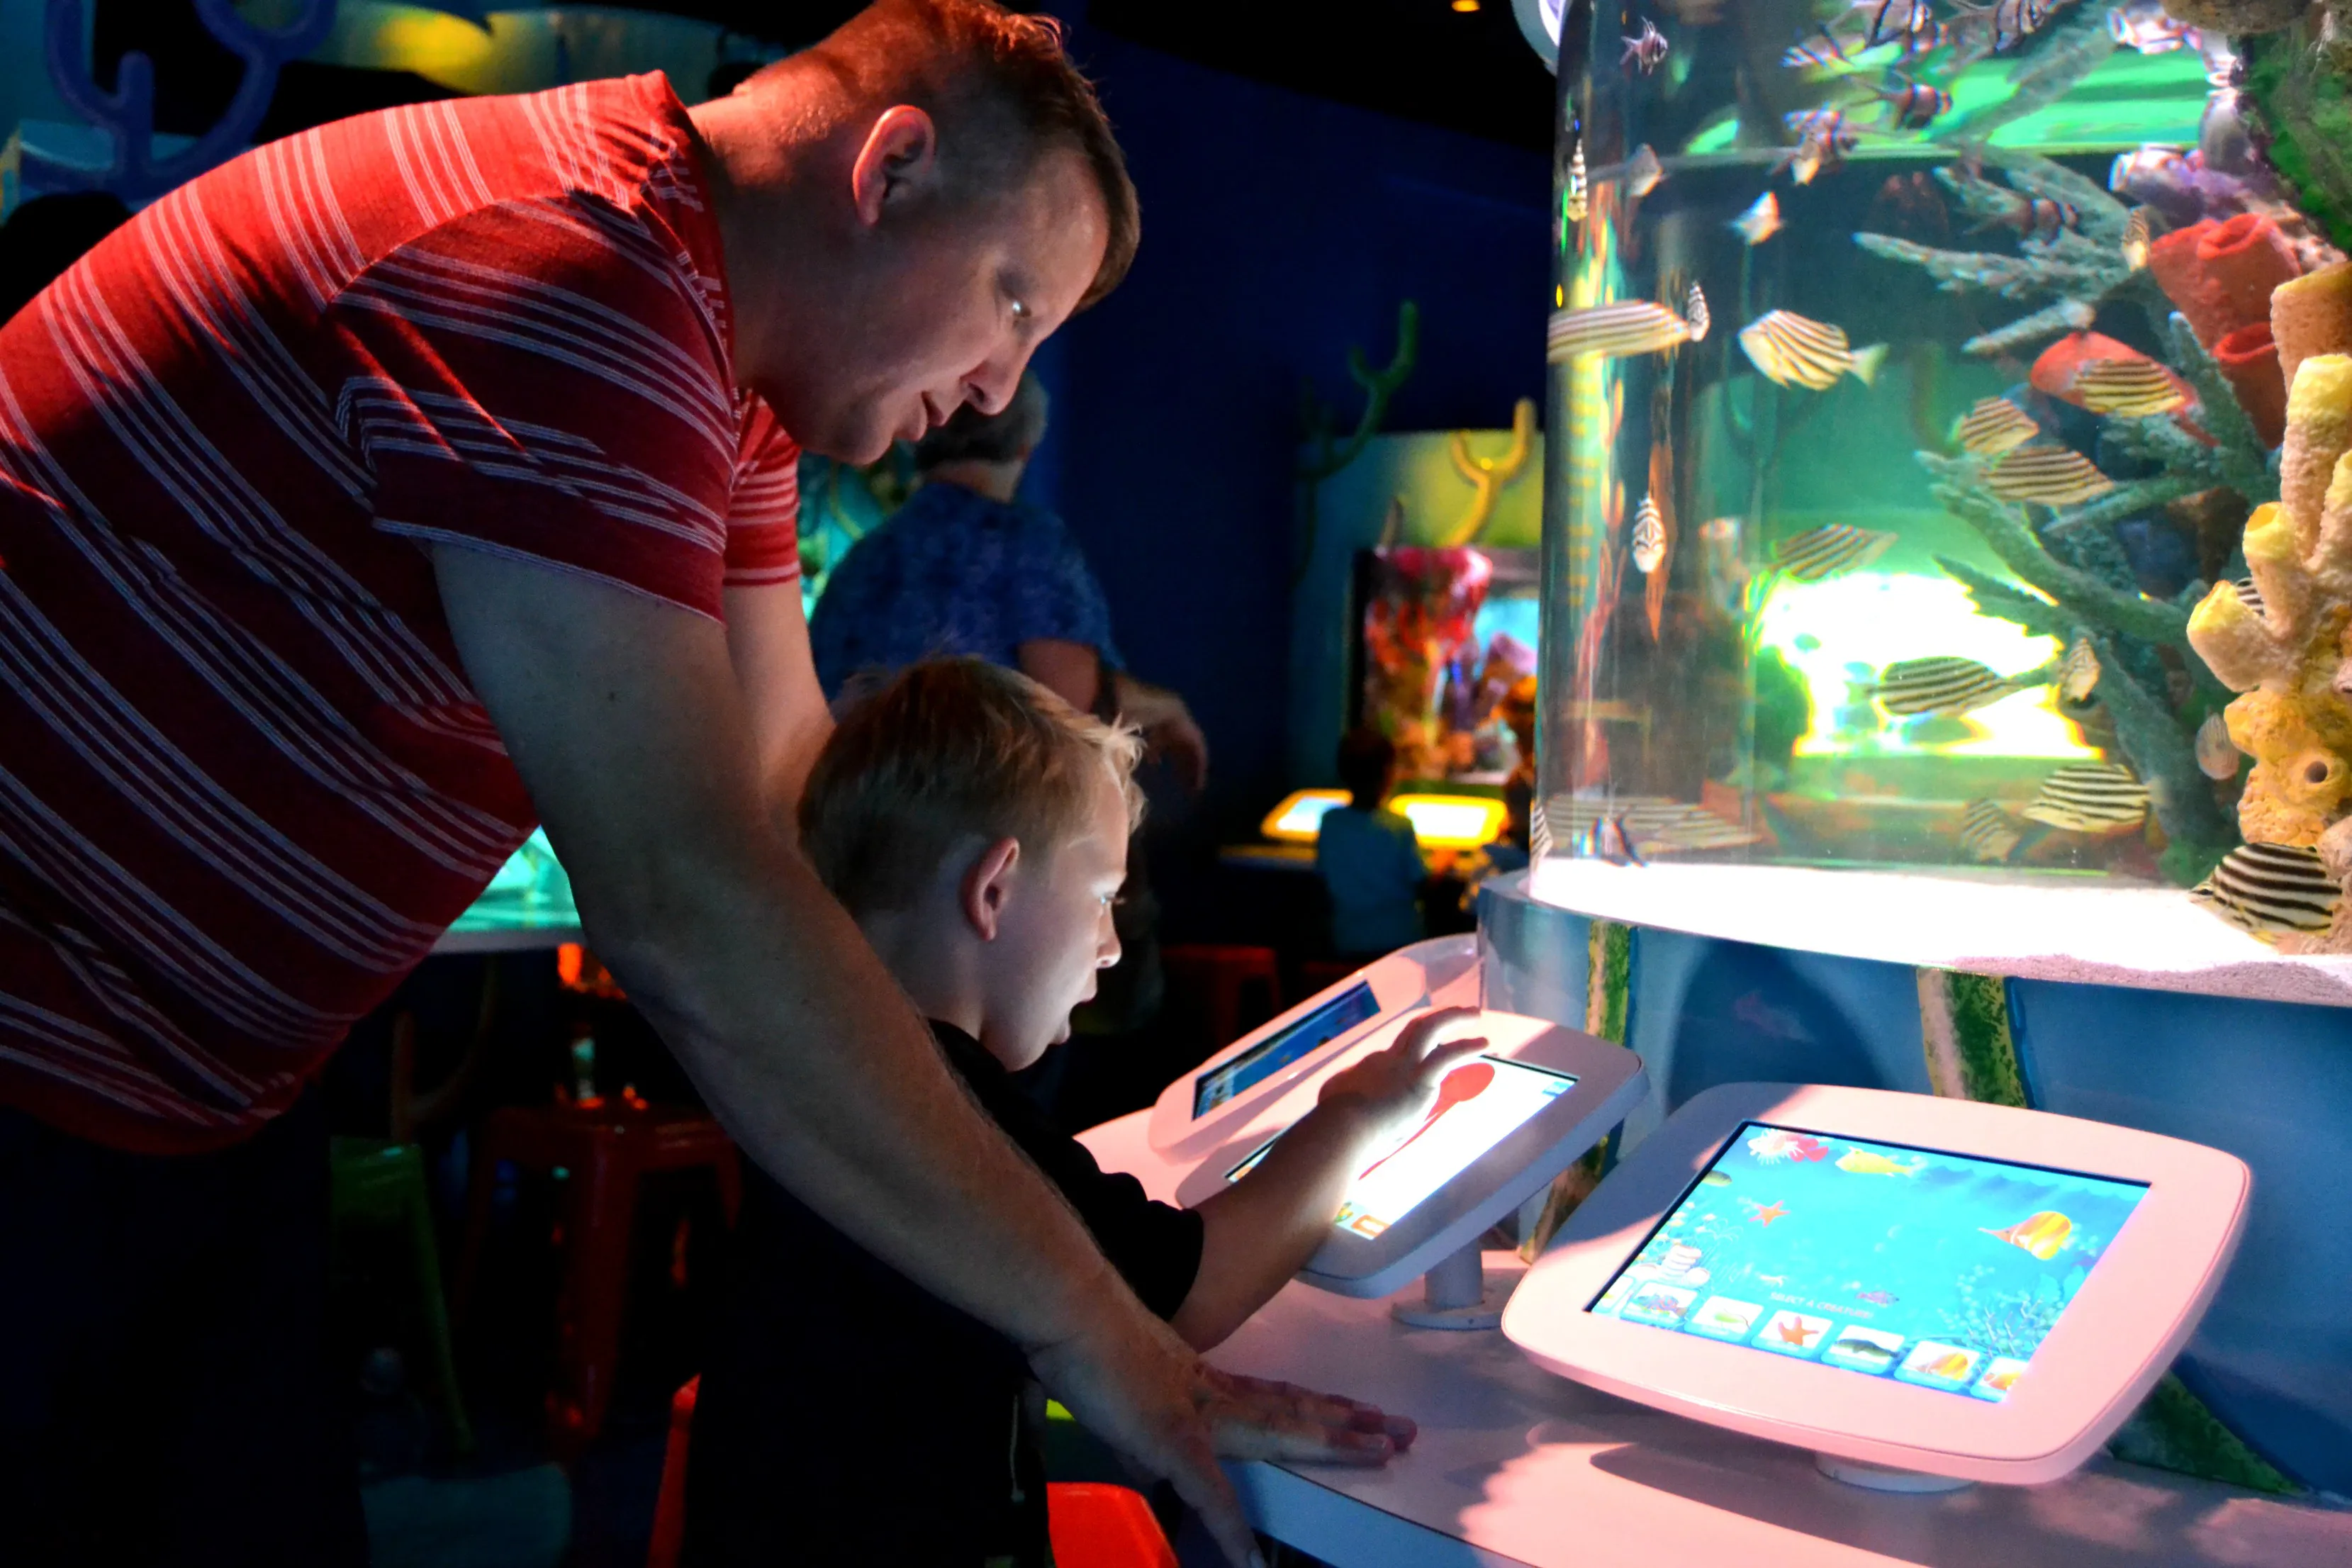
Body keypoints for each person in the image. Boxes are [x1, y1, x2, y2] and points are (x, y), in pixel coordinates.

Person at [0, 4, 1391, 1563]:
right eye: (1009, 300)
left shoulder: (718, 372)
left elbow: (800, 797)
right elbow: (684, 901)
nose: (1001, 389)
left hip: (186, 1100)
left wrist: (1021, 1164)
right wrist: (1091, 1324)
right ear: (895, 166)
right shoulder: (580, 272)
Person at [687, 659, 1485, 1564]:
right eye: (1104, 896)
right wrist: (1358, 1112)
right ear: (993, 891)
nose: (1110, 946)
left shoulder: (822, 1081)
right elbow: (1185, 1293)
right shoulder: (950, 1106)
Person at [809, 367, 1207, 788]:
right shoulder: (1028, 544)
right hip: (972, 824)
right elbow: (1073, 707)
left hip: (847, 820)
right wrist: (1166, 707)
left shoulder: (861, 559)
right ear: (1025, 447)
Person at [1316, 728, 1430, 963]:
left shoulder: (1330, 823)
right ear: (1388, 774)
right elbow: (1420, 882)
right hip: (1398, 944)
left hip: (1346, 942)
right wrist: (1442, 864)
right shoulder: (1399, 827)